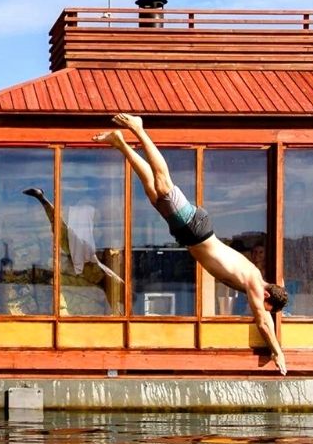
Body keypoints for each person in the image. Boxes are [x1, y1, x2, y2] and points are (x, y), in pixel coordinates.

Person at [94, 113, 289, 374]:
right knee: (164, 184)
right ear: (266, 296)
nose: (259, 309)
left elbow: (272, 304)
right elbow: (263, 323)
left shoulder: (255, 282)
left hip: (189, 234)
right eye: (266, 307)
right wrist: (278, 352)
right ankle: (139, 129)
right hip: (196, 229)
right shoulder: (255, 281)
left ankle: (120, 143)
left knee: (153, 193)